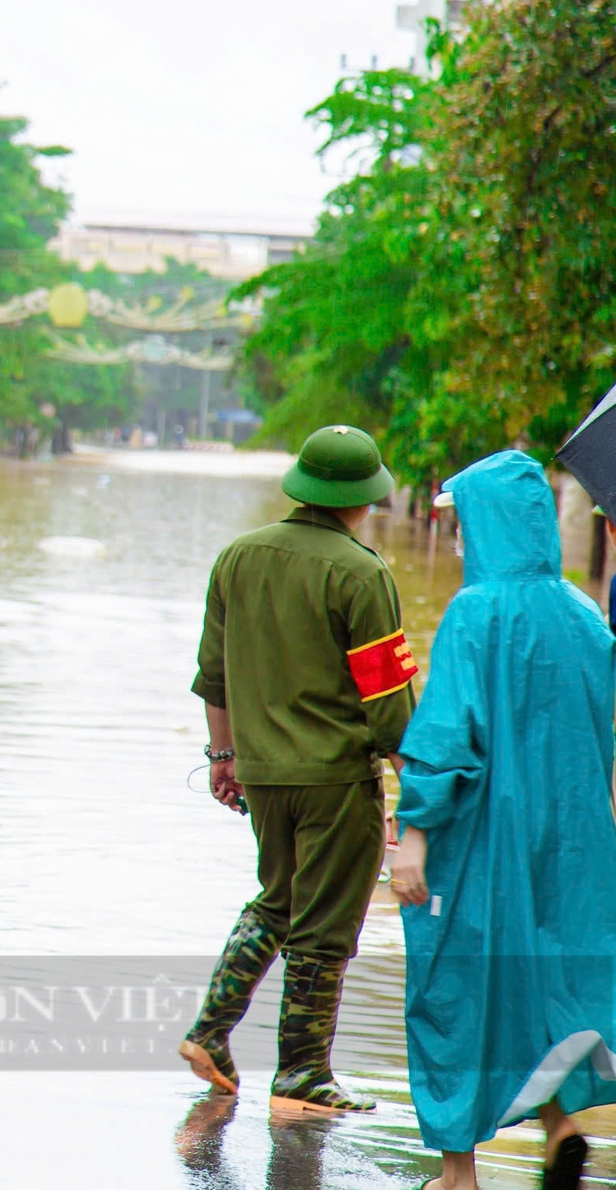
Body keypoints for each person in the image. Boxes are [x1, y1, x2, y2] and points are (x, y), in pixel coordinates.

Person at [391, 451, 616, 1190]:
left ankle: (458, 1171)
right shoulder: (585, 616)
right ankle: (559, 1127)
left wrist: (414, 834)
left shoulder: (475, 612)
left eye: (461, 525)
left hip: (483, 842)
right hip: (575, 845)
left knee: (458, 987)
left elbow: (446, 732)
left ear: (486, 525)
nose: (457, 541)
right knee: (549, 981)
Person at [179, 425, 417, 1112]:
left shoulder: (237, 557)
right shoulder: (362, 572)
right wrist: (419, 789)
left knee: (276, 903)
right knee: (325, 924)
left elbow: (213, 677)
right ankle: (303, 1071)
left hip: (262, 775)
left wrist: (225, 758)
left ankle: (210, 1031)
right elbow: (387, 703)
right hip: (336, 779)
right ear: (365, 497)